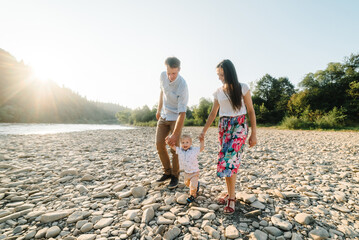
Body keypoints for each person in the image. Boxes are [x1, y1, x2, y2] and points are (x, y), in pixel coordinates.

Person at [199, 59, 257, 215]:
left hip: (239, 126)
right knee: (226, 161)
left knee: (230, 159)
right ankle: (230, 192)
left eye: (222, 74)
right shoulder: (218, 92)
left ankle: (231, 197)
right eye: (218, 75)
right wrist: (204, 131)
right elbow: (213, 113)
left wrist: (254, 134)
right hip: (224, 127)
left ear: (230, 73)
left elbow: (251, 111)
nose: (220, 77)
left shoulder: (242, 88)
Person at [155, 57, 189, 189]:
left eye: (173, 73)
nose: (170, 76)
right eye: (169, 72)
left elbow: (182, 113)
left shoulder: (182, 85)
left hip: (176, 117)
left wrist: (175, 134)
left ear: (179, 70)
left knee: (175, 148)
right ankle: (167, 172)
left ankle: (175, 176)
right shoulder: (163, 76)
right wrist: (159, 109)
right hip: (164, 115)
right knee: (159, 144)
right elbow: (162, 92)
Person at [168, 134, 204, 203]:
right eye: (183, 142)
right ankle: (196, 185)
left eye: (187, 142)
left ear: (190, 143)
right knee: (187, 184)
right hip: (186, 172)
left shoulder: (194, 150)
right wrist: (169, 142)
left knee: (192, 186)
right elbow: (173, 147)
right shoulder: (180, 150)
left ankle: (192, 195)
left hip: (194, 172)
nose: (185, 144)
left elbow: (201, 148)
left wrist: (202, 141)